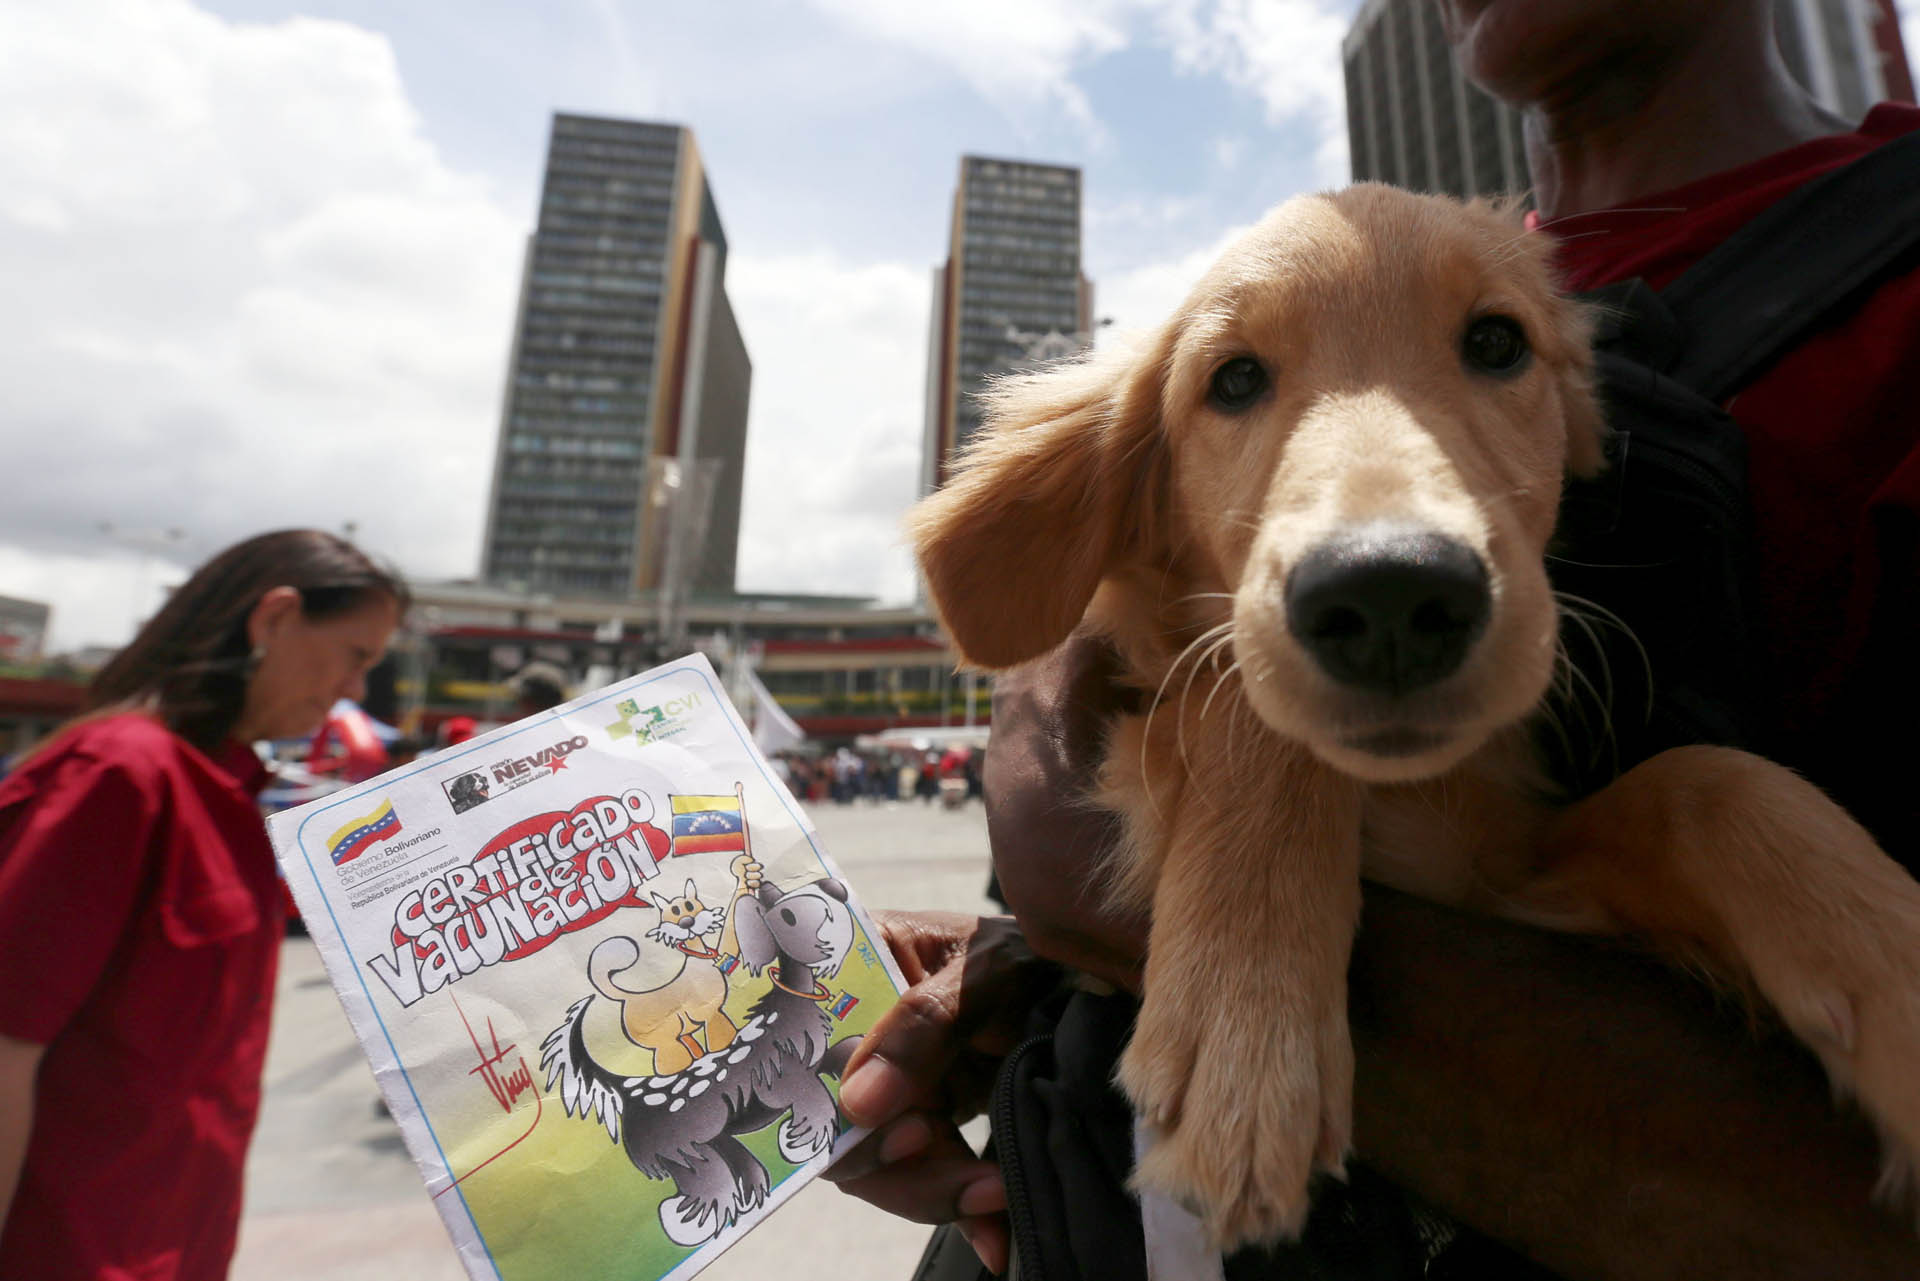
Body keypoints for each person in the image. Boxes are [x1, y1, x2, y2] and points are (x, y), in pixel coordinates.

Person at [829, 3, 1920, 1277]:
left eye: (1493, 348)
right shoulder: (1456, 270)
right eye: (1240, 379)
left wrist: (1125, 902)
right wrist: (1029, 969)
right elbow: (1053, 628)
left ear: (1577, 423)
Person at [0, 529, 407, 1280]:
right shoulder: (118, 774)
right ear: (274, 618)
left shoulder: (222, 794)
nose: (354, 689)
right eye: (356, 655)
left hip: (175, 1247)